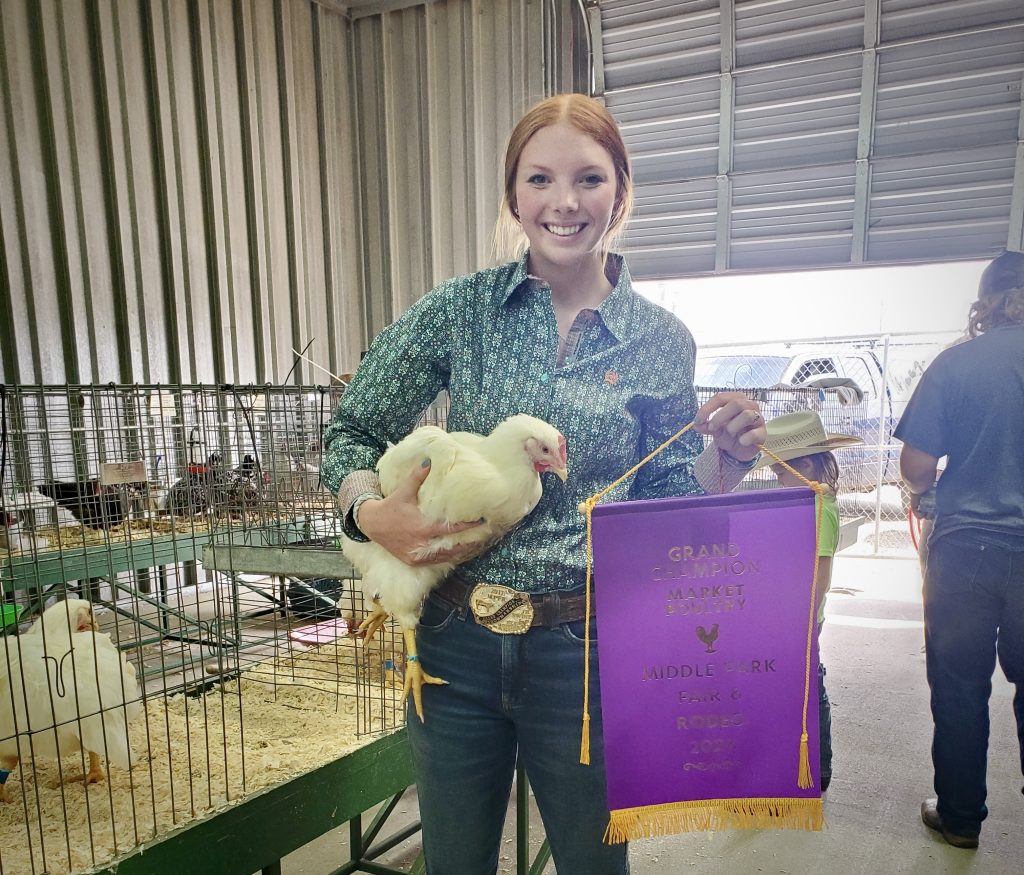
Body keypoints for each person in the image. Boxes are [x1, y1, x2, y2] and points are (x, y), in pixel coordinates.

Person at [321, 93, 767, 875]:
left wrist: (722, 463)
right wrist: (368, 511)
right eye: (540, 180)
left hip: (588, 648)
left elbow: (664, 497)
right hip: (454, 639)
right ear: (513, 197)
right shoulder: (459, 313)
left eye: (589, 179)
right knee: (454, 862)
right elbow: (351, 427)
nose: (564, 202)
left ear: (620, 193)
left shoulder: (662, 342)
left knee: (597, 867)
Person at [895, 249, 1024, 850]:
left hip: (966, 550)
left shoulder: (956, 365)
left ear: (985, 304)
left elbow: (917, 468)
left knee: (960, 688)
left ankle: (961, 817)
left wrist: (933, 485)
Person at [751, 410, 863, 793]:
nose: (778, 481)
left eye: (782, 472)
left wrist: (802, 623)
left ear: (808, 465)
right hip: (785, 617)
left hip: (801, 621)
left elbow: (822, 574)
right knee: (793, 689)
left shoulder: (821, 509)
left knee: (810, 687)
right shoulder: (800, 504)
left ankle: (820, 765)